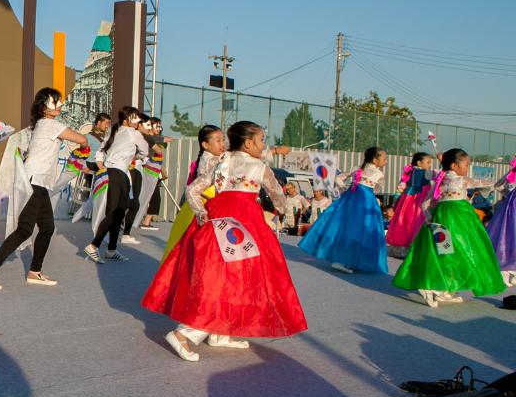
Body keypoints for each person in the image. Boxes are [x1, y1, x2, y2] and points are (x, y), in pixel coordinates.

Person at [141, 120, 308, 362]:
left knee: (219, 273)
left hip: (218, 217)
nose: (263, 145)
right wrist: (280, 213)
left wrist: (201, 212)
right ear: (249, 143)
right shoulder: (259, 167)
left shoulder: (223, 162)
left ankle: (220, 331)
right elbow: (278, 196)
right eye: (261, 140)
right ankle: (185, 333)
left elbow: (192, 190)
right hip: (246, 222)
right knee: (238, 276)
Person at [0, 88, 89, 289]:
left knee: (47, 228)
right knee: (25, 230)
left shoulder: (43, 125)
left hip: (40, 183)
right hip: (34, 182)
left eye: (59, 102)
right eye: (54, 102)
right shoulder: (49, 124)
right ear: (43, 106)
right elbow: (82, 139)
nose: (60, 105)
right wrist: (84, 148)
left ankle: (34, 271)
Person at [394, 148, 506, 307]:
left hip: (440, 216)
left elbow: (425, 203)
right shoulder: (461, 180)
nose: (468, 168)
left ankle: (443, 288)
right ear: (454, 165)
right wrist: (495, 184)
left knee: (444, 250)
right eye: (466, 164)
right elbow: (485, 184)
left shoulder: (439, 180)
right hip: (459, 218)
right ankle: (435, 287)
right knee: (463, 251)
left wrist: (429, 218)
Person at [299, 146, 389, 274]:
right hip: (366, 200)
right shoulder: (379, 174)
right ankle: (346, 260)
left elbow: (338, 179)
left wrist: (346, 189)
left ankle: (343, 259)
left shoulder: (358, 169)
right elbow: (376, 189)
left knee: (345, 227)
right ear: (375, 160)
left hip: (351, 198)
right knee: (362, 230)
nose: (386, 161)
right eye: (384, 158)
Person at [85, 106, 149, 263]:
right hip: (117, 173)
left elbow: (101, 151)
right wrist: (134, 155)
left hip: (116, 173)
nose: (138, 121)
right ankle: (94, 245)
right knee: (114, 212)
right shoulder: (133, 133)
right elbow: (145, 152)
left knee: (119, 211)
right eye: (135, 118)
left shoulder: (115, 132)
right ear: (126, 120)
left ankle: (111, 249)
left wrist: (102, 164)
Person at [163, 125, 224, 258]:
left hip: (196, 205)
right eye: (218, 140)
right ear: (205, 144)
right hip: (205, 205)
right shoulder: (214, 160)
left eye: (223, 140)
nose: (222, 144)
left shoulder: (207, 158)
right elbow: (197, 187)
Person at [487, 158, 516, 288]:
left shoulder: (511, 173)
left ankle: (509, 267)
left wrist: (508, 194)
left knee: (509, 235)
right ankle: (509, 268)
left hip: (511, 205)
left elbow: (497, 185)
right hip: (512, 207)